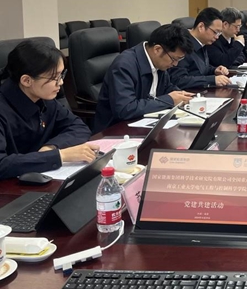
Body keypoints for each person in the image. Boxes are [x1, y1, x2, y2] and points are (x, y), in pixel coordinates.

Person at [0, 40, 95, 179]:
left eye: (61, 75)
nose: (61, 82)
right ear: (26, 80)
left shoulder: (43, 98)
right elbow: (2, 165)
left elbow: (79, 127)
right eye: (54, 78)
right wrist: (59, 156)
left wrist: (51, 148)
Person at [94, 24, 195, 133]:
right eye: (174, 59)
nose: (175, 64)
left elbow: (166, 88)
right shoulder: (124, 65)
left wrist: (183, 97)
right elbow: (125, 109)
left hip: (145, 124)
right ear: (157, 49)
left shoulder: (159, 62)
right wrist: (170, 100)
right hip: (116, 131)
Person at [169, 7, 231, 89]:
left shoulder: (202, 42)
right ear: (201, 26)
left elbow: (199, 69)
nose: (217, 37)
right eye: (215, 32)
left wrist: (214, 70)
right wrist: (212, 80)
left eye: (219, 33)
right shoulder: (183, 45)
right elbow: (179, 80)